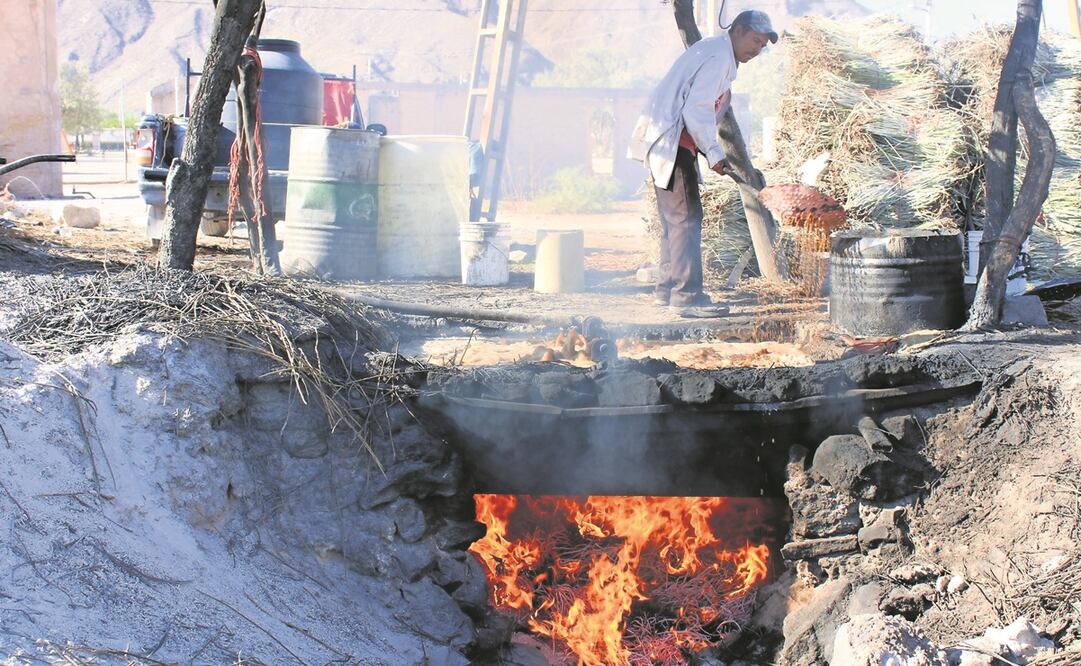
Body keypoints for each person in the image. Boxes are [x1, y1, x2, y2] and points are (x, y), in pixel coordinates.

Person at [629, 10, 777, 315]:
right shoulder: (718, 58)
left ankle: (667, 290)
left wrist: (710, 153)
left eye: (763, 44)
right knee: (686, 220)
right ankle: (687, 297)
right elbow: (696, 112)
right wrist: (715, 154)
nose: (758, 48)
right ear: (736, 31)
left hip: (673, 143)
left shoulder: (716, 54)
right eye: (754, 39)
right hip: (674, 143)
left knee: (677, 223)